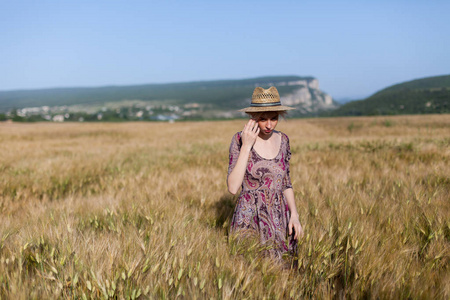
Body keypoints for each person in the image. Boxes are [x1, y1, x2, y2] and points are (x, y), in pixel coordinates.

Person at [227, 86, 304, 260]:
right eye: (263, 119)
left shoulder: (284, 140)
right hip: (249, 220)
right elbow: (233, 187)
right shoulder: (239, 139)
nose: (269, 125)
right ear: (252, 117)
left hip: (279, 219)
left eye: (274, 118)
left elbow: (285, 182)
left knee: (284, 274)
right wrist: (247, 145)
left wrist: (295, 215)